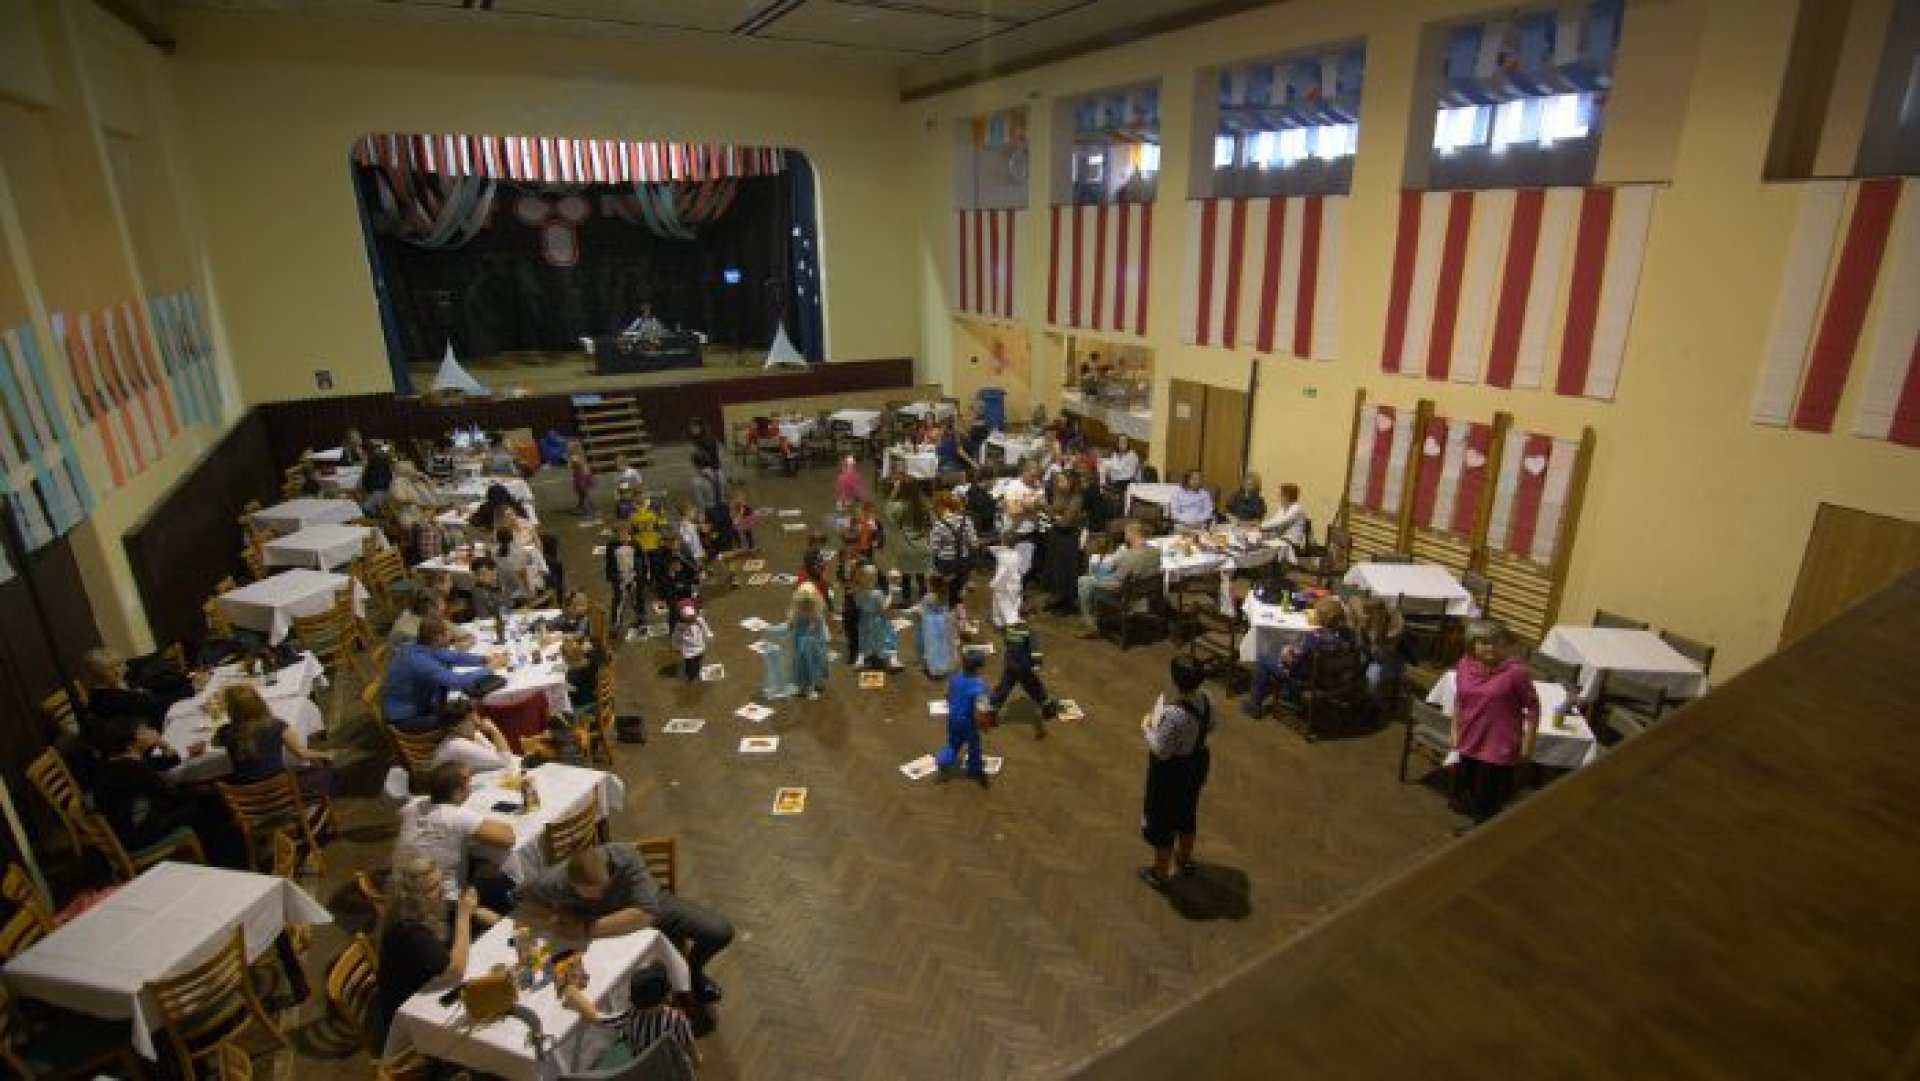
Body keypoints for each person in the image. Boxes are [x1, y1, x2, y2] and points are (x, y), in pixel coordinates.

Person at [518, 844, 734, 1004]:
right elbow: (519, 897)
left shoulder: (625, 856)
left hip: (640, 912)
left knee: (719, 931)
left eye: (602, 890)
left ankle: (692, 970)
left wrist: (586, 929)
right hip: (602, 940)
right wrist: (555, 914)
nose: (597, 897)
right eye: (588, 895)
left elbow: (646, 912)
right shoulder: (553, 881)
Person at [370, 858, 478, 1055]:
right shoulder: (409, 931)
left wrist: (478, 913)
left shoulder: (417, 909)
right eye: (433, 888)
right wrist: (464, 918)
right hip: (409, 1018)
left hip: (424, 989)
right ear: (412, 897)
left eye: (441, 882)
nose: (443, 891)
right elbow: (455, 970)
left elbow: (459, 908)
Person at [1450, 621, 1540, 831]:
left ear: (1504, 645)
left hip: (1499, 744)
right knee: (1470, 790)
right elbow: (1459, 699)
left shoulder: (1516, 673)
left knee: (1489, 796)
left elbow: (1533, 707)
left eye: (1495, 642)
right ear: (1472, 644)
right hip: (1470, 737)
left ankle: (1482, 833)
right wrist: (1454, 730)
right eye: (1483, 642)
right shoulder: (1464, 665)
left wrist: (1528, 742)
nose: (1489, 647)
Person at [391, 762, 518, 909]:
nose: (471, 787)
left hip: (400, 897)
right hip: (441, 905)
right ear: (458, 791)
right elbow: (508, 838)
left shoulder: (411, 806)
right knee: (503, 881)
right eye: (469, 783)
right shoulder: (455, 816)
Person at [1138, 655, 1215, 889]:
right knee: (1187, 812)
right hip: (1196, 764)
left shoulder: (1173, 714)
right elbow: (1212, 727)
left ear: (1175, 680)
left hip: (1173, 772)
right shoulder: (1208, 699)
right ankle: (1185, 858)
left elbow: (1161, 751)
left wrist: (1147, 727)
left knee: (1162, 822)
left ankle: (1160, 873)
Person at [559, 961, 702, 1067]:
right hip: (670, 1067)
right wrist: (696, 1060)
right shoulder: (677, 1019)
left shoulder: (630, 1016)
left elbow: (595, 1017)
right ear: (665, 996)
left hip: (642, 1066)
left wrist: (569, 988)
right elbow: (692, 1051)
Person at [216, 684, 336, 803]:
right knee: (327, 773)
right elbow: (301, 753)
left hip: (247, 800)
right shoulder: (276, 725)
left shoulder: (225, 733)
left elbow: (214, 742)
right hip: (282, 792)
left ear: (231, 710)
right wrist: (326, 754)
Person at [383, 618, 505, 733]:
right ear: (438, 638)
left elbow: (453, 657)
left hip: (417, 703)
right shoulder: (420, 662)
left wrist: (485, 659)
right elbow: (457, 682)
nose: (450, 634)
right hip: (408, 719)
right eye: (447, 632)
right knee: (466, 716)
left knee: (466, 701)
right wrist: (490, 668)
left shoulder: (419, 645)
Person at [1242, 596, 1354, 716]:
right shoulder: (1345, 637)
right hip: (1329, 678)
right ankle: (1286, 692)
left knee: (1263, 657)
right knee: (1280, 652)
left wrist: (1287, 653)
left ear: (1322, 617)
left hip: (1306, 677)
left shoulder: (1315, 637)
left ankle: (1254, 704)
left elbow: (1296, 663)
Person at [1076, 522, 1162, 635]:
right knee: (1091, 581)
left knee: (1084, 582)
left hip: (1126, 594)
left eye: (1126, 533)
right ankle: (1098, 617)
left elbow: (1118, 580)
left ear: (1132, 534)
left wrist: (1097, 577)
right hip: (1144, 591)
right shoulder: (1156, 552)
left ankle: (1091, 624)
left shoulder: (1129, 555)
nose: (1124, 536)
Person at [988, 622, 1060, 739]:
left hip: (1011, 665)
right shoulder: (1030, 631)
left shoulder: (1010, 629)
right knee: (1035, 688)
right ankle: (1048, 709)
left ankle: (991, 713)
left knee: (1003, 689)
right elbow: (1035, 650)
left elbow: (1007, 643)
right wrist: (1037, 664)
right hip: (1024, 667)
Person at [936, 651, 992, 786]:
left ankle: (942, 761)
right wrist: (985, 725)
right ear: (979, 668)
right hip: (968, 723)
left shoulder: (955, 678)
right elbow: (982, 710)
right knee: (974, 746)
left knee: (953, 744)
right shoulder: (979, 686)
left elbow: (947, 695)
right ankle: (974, 770)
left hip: (953, 719)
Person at [1348, 594, 1407, 707]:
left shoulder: (1393, 625)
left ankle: (1375, 706)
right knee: (1352, 667)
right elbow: (1353, 600)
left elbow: (1381, 655)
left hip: (1391, 658)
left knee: (1373, 676)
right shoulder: (1362, 618)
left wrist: (1375, 636)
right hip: (1371, 654)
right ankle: (1359, 699)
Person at [1040, 470, 1086, 616]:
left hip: (1068, 537)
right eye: (1058, 480)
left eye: (1062, 481)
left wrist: (1049, 511)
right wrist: (1056, 516)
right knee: (1054, 567)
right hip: (1056, 534)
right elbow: (1056, 516)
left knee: (1065, 570)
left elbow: (1066, 522)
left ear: (1071, 482)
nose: (1059, 483)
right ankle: (1056, 598)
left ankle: (1066, 603)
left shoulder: (1077, 498)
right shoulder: (1059, 494)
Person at [428, 701, 516, 774]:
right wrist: (495, 731)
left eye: (476, 715)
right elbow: (504, 761)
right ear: (454, 727)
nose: (478, 722)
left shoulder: (473, 734)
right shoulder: (457, 746)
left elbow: (500, 755)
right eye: (470, 720)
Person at [885, 478, 933, 604]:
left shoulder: (900, 506)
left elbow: (889, 514)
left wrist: (893, 493)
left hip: (905, 547)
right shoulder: (925, 505)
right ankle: (924, 601)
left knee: (905, 577)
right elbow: (931, 524)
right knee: (921, 577)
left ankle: (906, 601)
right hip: (922, 547)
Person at [930, 491, 979, 610]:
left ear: (941, 507)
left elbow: (934, 548)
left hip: (946, 564)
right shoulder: (966, 520)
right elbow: (974, 543)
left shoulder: (939, 525)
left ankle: (947, 613)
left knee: (945, 592)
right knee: (958, 594)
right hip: (963, 562)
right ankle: (959, 614)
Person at [852, 563, 901, 671]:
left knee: (865, 639)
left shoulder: (857, 592)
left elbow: (858, 605)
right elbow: (883, 609)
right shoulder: (878, 593)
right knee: (887, 638)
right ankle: (892, 661)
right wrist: (890, 595)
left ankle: (861, 660)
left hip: (865, 620)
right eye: (874, 576)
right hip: (878, 621)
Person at [788, 580, 832, 699]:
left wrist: (825, 635)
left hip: (814, 645)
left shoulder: (816, 615)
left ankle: (813, 685)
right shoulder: (797, 613)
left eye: (809, 605)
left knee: (813, 664)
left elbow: (821, 626)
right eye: (804, 605)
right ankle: (804, 685)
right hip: (803, 643)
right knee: (803, 665)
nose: (807, 608)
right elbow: (791, 623)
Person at [916, 574, 958, 679]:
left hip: (931, 623)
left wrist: (914, 612)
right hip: (943, 621)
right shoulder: (945, 594)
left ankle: (934, 668)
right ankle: (943, 667)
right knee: (942, 645)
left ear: (932, 584)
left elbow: (923, 610)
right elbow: (945, 608)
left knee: (932, 646)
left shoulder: (928, 597)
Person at [987, 533, 1024, 629]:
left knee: (1003, 602)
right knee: (1009, 601)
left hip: (1003, 584)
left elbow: (1002, 570)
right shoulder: (1017, 554)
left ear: (1003, 542)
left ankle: (1010, 621)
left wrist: (993, 582)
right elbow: (1020, 569)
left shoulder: (1002, 555)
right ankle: (999, 620)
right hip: (1015, 582)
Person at [1261, 483, 1309, 553]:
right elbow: (1274, 520)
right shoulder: (1283, 508)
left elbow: (1280, 522)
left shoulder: (1297, 508)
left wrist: (1260, 526)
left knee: (1268, 547)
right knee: (1263, 543)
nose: (1279, 497)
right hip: (1282, 539)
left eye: (1281, 495)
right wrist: (1260, 526)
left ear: (1287, 496)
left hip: (1293, 543)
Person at [674, 599, 713, 682]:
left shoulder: (699, 620)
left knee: (698, 661)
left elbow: (705, 628)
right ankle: (690, 675)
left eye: (692, 618)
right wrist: (677, 647)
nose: (690, 620)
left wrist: (709, 635)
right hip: (687, 649)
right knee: (690, 663)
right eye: (688, 619)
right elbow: (676, 637)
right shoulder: (679, 626)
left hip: (699, 646)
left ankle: (696, 672)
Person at [360, 446, 395, 516]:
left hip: (374, 486)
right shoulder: (380, 463)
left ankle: (372, 509)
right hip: (375, 487)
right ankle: (371, 509)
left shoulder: (379, 460)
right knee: (380, 494)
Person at [568, 441, 594, 516]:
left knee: (584, 493)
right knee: (582, 493)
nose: (568, 449)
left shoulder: (575, 456)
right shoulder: (579, 455)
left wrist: (571, 463)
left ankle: (588, 508)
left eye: (570, 448)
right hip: (582, 475)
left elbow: (573, 465)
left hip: (582, 476)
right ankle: (581, 507)